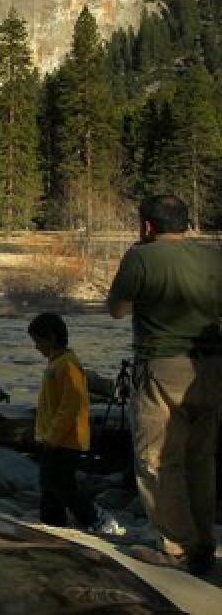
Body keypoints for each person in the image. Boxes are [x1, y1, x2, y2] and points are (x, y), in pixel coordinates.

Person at [107, 194, 222, 575]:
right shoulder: (213, 256)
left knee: (157, 459)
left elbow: (117, 310)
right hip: (212, 367)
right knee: (201, 460)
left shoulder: (141, 257)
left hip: (163, 367)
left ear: (146, 225)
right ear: (186, 223)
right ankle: (204, 542)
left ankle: (178, 548)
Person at [29, 313, 121, 535]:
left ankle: (95, 518)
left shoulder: (68, 366)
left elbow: (71, 406)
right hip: (54, 438)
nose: (36, 347)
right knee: (49, 484)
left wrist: (52, 437)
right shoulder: (58, 363)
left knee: (63, 485)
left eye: (38, 342)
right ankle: (53, 524)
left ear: (51, 338)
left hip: (65, 440)